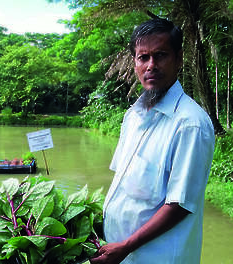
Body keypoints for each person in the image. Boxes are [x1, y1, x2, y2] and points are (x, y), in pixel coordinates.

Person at [90, 18, 215, 264]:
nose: (151, 65)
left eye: (161, 55)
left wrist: (126, 246)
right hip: (121, 254)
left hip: (157, 257)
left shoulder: (189, 123)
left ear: (179, 59)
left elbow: (179, 205)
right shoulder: (133, 116)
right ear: (134, 62)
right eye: (143, 57)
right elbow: (123, 184)